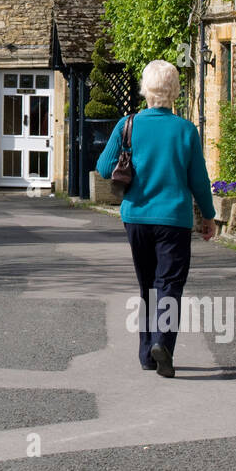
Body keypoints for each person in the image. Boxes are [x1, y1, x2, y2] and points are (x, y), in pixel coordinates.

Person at [96, 60, 216, 378]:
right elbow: (199, 180)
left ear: (145, 90)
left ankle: (147, 354)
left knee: (147, 284)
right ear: (175, 91)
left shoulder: (128, 124)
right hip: (174, 218)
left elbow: (105, 167)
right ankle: (162, 343)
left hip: (136, 216)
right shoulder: (185, 130)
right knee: (169, 284)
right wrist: (208, 215)